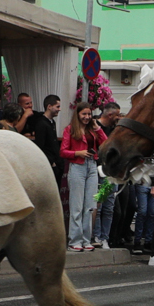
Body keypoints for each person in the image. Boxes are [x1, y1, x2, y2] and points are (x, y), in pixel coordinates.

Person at [61, 103, 102, 249]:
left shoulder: (92, 129)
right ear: (78, 114)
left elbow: (105, 143)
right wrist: (77, 153)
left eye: (89, 114)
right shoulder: (70, 129)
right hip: (77, 166)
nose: (87, 117)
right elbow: (63, 151)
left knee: (90, 206)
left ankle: (86, 240)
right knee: (76, 205)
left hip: (92, 165)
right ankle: (74, 241)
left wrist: (99, 129)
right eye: (84, 114)